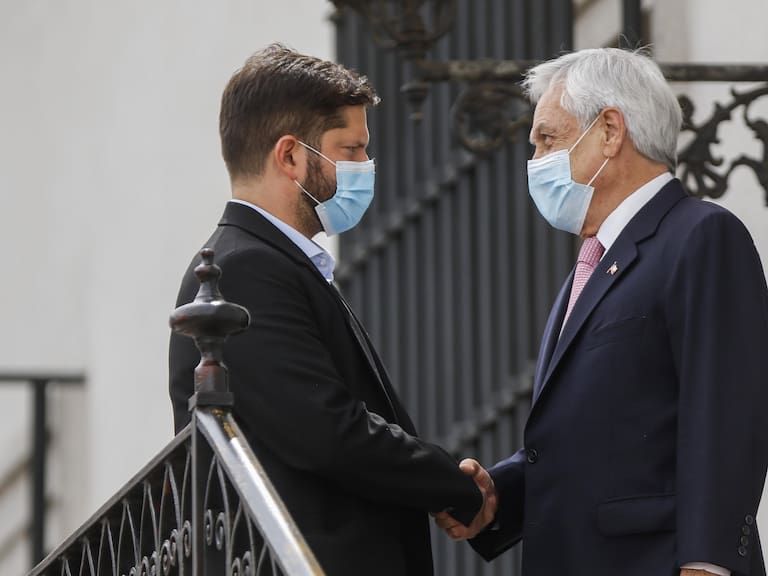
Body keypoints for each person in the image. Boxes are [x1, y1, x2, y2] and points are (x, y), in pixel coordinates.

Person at [435, 47, 768, 576]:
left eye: (548, 138)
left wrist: (709, 564)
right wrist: (499, 494)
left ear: (610, 131)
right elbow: (599, 433)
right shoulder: (593, 263)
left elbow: (726, 415)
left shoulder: (700, 235)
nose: (535, 159)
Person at [168, 44, 495, 576]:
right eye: (352, 149)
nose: (367, 167)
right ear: (291, 156)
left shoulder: (270, 261)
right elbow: (327, 432)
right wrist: (452, 484)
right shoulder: (245, 268)